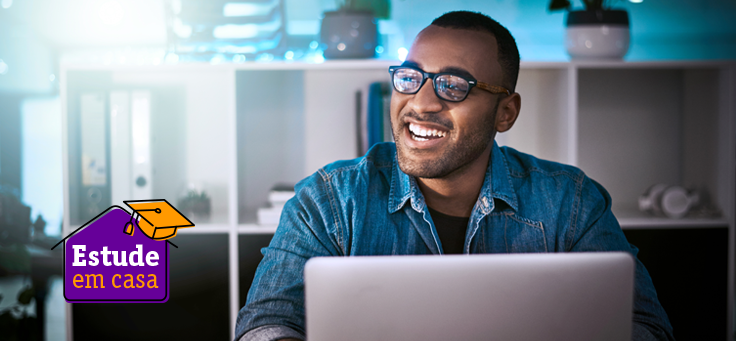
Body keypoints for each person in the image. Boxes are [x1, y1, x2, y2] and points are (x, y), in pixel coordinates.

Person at [234, 11, 674, 341]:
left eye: (453, 85)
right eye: (410, 78)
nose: (420, 103)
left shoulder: (572, 202)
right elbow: (265, 324)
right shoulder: (328, 201)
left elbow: (644, 326)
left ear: (506, 112)